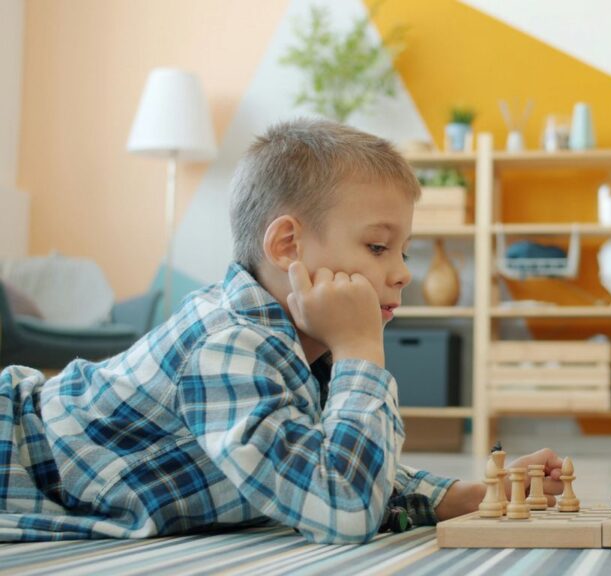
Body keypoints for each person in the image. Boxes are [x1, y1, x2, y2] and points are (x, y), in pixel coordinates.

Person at [0, 119, 562, 543]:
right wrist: (360, 350)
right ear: (287, 245)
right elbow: (342, 507)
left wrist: (465, 495)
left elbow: (323, 461)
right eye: (377, 246)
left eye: (404, 251)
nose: (402, 273)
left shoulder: (298, 349)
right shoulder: (228, 347)